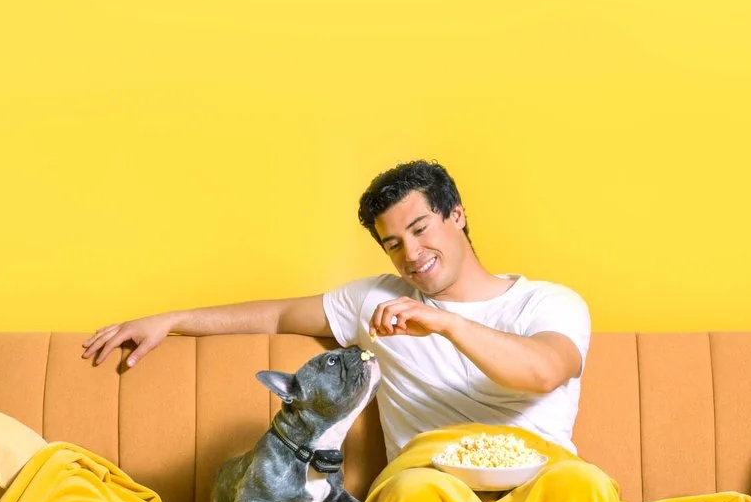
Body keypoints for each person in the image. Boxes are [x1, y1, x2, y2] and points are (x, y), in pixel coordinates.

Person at [82, 160, 590, 460]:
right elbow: (277, 317)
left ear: (456, 215)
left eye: (420, 230)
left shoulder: (547, 302)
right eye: (393, 244)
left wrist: (446, 323)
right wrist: (170, 321)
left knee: (583, 493)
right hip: (428, 486)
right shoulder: (374, 301)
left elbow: (544, 372)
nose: (410, 254)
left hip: (543, 482)